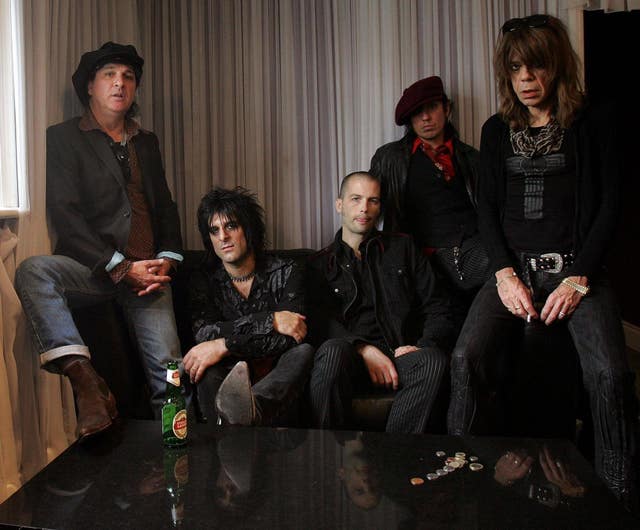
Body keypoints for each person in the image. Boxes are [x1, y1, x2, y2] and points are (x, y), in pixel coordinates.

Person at [447, 14, 638, 508]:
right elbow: (486, 211)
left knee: (612, 376)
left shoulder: (595, 121)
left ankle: (617, 493)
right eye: (516, 69)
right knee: (467, 359)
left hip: (579, 270)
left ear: (557, 66)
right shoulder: (495, 131)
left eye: (536, 67)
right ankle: (468, 477)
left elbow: (610, 205)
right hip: (514, 270)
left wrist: (579, 279)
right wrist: (504, 274)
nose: (527, 80)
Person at [15, 42, 183, 439]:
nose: (119, 84)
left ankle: (178, 450)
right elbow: (65, 216)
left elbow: (166, 207)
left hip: (149, 275)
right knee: (32, 270)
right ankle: (85, 380)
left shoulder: (147, 142)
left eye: (127, 77)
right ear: (89, 86)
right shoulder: (62, 138)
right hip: (96, 269)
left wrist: (167, 259)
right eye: (109, 75)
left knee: (170, 369)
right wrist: (119, 267)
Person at [308, 172, 453, 434]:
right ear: (339, 204)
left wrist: (422, 346)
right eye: (356, 199)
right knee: (331, 352)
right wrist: (362, 348)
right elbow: (319, 324)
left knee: (433, 360)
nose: (364, 208)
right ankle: (330, 460)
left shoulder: (403, 248)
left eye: (373, 200)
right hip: (348, 360)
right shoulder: (320, 264)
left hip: (397, 358)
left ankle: (391, 458)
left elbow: (438, 307)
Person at [184, 187, 314, 426]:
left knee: (302, 352)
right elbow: (205, 334)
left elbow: (294, 336)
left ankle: (255, 407)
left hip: (277, 373)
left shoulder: (289, 270)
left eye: (231, 226)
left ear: (249, 229)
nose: (223, 237)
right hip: (228, 372)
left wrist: (225, 344)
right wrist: (270, 321)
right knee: (205, 366)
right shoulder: (202, 280)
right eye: (214, 230)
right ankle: (227, 432)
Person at [369, 76, 490, 324]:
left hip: (476, 257)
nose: (425, 118)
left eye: (432, 108)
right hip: (423, 265)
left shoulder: (473, 159)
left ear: (446, 109)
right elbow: (368, 208)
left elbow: (492, 212)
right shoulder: (389, 158)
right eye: (417, 112)